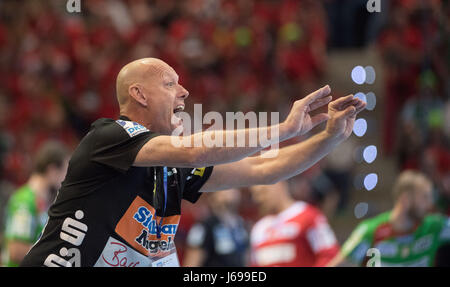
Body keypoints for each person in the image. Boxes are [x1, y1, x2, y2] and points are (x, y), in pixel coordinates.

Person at [20, 57, 365, 267]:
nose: (184, 93)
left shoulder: (173, 168)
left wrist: (328, 139)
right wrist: (285, 128)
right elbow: (193, 151)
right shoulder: (109, 136)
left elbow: (264, 168)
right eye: (171, 84)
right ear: (139, 94)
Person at [329, 170, 450, 267]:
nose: (430, 204)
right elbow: (341, 263)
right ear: (405, 199)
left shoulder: (436, 226)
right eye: (425, 197)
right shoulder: (371, 230)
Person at [2, 141, 69, 266]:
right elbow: (15, 250)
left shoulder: (44, 202)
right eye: (65, 171)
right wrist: (53, 254)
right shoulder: (24, 201)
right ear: (52, 170)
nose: (65, 179)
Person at [249, 181, 339, 267]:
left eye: (263, 192)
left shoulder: (308, 215)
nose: (259, 199)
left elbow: (329, 255)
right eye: (255, 195)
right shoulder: (258, 229)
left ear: (279, 184)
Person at [183, 189, 249, 267]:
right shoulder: (204, 226)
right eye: (225, 188)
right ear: (213, 198)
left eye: (234, 188)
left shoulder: (242, 225)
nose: (231, 191)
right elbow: (192, 262)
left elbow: (245, 259)